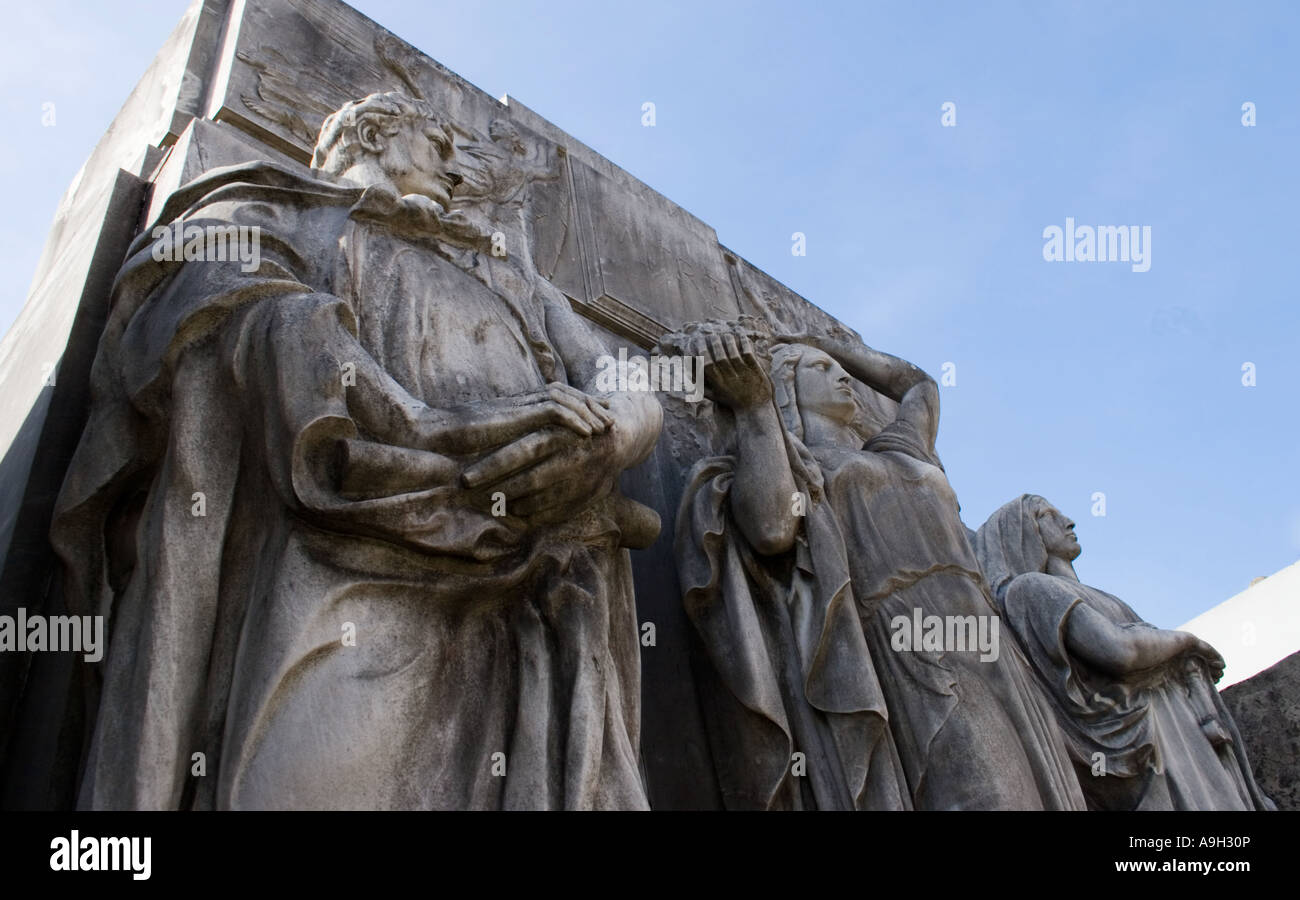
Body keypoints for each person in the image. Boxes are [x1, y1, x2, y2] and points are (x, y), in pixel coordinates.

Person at [52, 91, 662, 809]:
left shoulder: (506, 274)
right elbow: (207, 306)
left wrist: (617, 433)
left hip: (536, 567)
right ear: (375, 132)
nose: (454, 170)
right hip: (340, 544)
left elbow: (624, 380)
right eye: (437, 144)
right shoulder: (275, 213)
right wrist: (421, 423)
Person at [672, 322, 1085, 809]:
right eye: (820, 370)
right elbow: (771, 529)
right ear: (786, 387)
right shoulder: (805, 466)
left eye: (837, 368)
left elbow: (919, 386)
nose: (840, 375)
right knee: (986, 793)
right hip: (913, 640)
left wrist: (820, 342)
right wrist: (754, 405)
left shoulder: (899, 451)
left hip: (993, 645)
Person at [974, 494, 1275, 810]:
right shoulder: (1031, 589)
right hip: (1149, 748)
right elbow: (1119, 652)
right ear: (1022, 530)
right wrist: (1186, 642)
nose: (1069, 521)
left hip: (1177, 728)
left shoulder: (1099, 597)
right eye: (1048, 514)